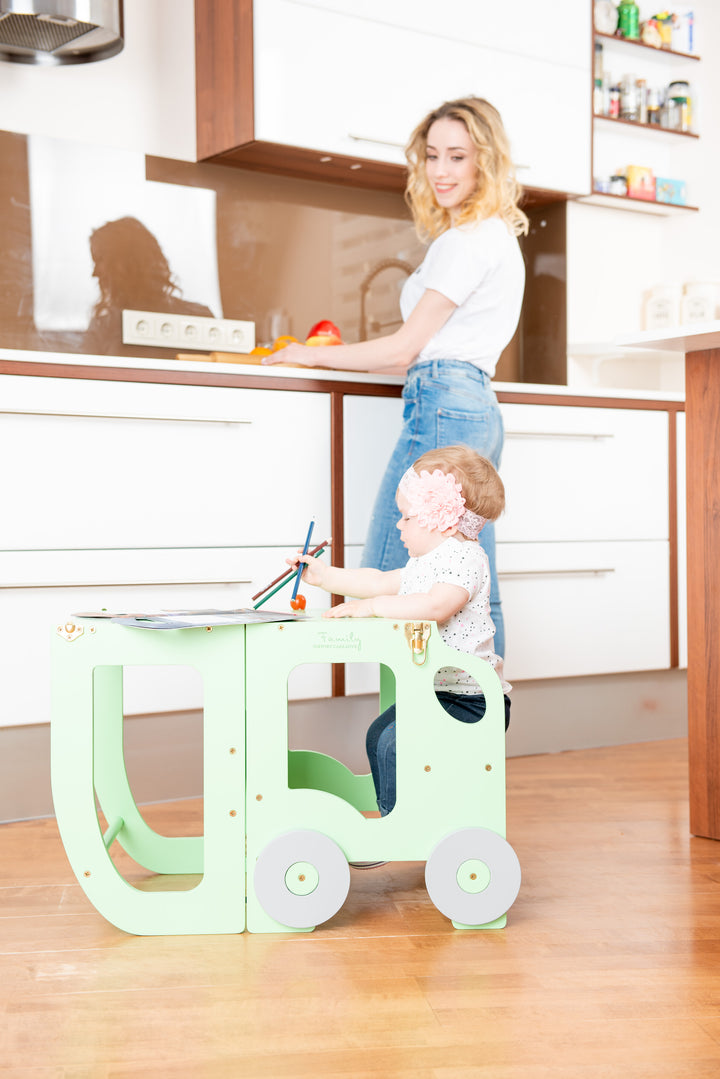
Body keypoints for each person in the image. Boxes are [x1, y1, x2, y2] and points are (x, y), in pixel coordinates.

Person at [263, 96, 528, 659]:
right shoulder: (495, 237)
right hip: (476, 404)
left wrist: (308, 355)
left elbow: (405, 349)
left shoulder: (466, 241)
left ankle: (411, 733)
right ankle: (477, 727)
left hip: (443, 401)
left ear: (485, 161)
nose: (440, 170)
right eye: (432, 155)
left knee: (398, 567)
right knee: (475, 578)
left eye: (457, 156)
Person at [287, 444, 511, 824]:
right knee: (380, 735)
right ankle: (405, 816)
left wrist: (373, 608)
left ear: (439, 518)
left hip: (472, 701)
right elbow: (376, 580)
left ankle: (399, 826)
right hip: (442, 692)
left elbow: (436, 606)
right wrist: (324, 576)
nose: (398, 525)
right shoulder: (428, 562)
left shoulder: (465, 559)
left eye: (406, 517)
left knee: (392, 745)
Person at [85, 216, 214, 354]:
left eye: (100, 260)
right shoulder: (102, 328)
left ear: (129, 263)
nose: (95, 273)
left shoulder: (200, 321)